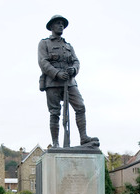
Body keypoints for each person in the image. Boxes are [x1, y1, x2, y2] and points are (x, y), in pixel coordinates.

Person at [38, 15, 99, 148]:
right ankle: (55, 142)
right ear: (52, 26)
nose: (61, 26)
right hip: (53, 82)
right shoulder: (44, 43)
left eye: (62, 24)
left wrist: (73, 69)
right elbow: (43, 62)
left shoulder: (68, 46)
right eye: (58, 23)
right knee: (55, 112)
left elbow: (76, 61)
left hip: (69, 82)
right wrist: (57, 73)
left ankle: (83, 137)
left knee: (80, 107)